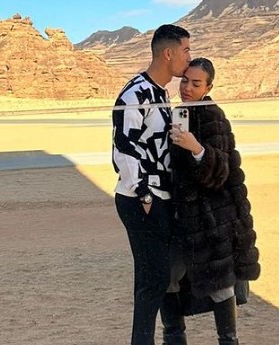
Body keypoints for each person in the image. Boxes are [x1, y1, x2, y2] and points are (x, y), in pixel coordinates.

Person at [163, 57, 260, 345]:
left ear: (208, 87)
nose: (187, 88)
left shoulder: (213, 116)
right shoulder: (179, 114)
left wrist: (196, 148)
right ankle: (174, 338)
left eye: (196, 84)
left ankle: (228, 341)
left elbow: (221, 172)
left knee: (221, 284)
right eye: (184, 81)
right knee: (168, 277)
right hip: (181, 216)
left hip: (211, 219)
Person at [112, 24, 191, 345]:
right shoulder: (135, 94)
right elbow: (124, 148)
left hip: (159, 196)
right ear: (168, 53)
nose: (189, 57)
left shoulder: (161, 93)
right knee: (152, 280)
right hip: (141, 199)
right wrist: (145, 195)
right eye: (186, 50)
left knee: (161, 277)